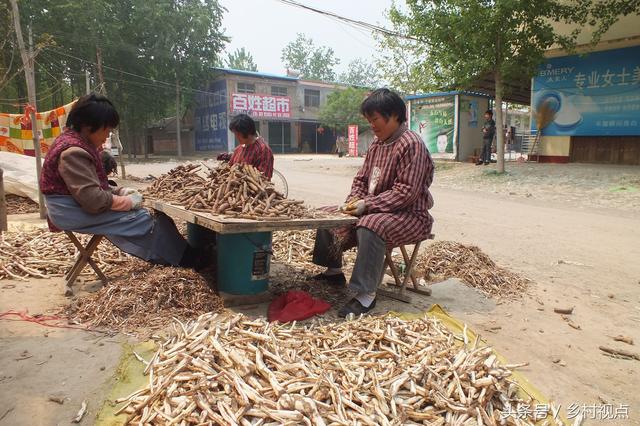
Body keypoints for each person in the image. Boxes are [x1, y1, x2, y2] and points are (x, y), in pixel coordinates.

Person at [308, 88, 435, 317]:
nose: (372, 125)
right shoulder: (377, 144)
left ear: (394, 115)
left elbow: (405, 193)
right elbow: (361, 178)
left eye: (374, 119)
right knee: (327, 214)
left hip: (410, 215)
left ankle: (366, 295)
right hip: (375, 209)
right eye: (369, 120)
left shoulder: (411, 144)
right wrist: (353, 201)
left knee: (371, 225)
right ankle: (334, 271)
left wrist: (367, 206)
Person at [41, 94, 203, 268]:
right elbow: (92, 200)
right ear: (88, 127)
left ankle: (178, 254)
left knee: (153, 216)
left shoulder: (78, 142)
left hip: (74, 205)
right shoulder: (73, 152)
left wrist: (120, 192)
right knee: (145, 219)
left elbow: (91, 187)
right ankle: (187, 259)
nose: (107, 136)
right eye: (106, 130)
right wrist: (126, 202)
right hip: (68, 211)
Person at [226, 114, 274, 179]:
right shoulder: (238, 150)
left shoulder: (263, 150)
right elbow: (229, 169)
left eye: (237, 134)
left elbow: (263, 179)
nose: (236, 136)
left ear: (247, 132)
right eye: (235, 134)